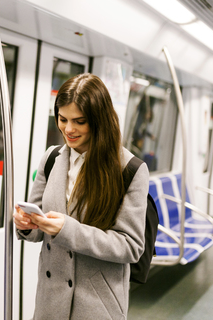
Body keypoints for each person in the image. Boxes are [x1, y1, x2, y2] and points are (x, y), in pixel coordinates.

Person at [14, 73, 149, 320]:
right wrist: (26, 224)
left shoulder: (129, 169)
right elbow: (37, 223)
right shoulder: (52, 158)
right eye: (62, 119)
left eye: (79, 121)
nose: (68, 129)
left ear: (99, 120)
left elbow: (130, 246)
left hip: (96, 302)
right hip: (50, 298)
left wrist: (68, 230)